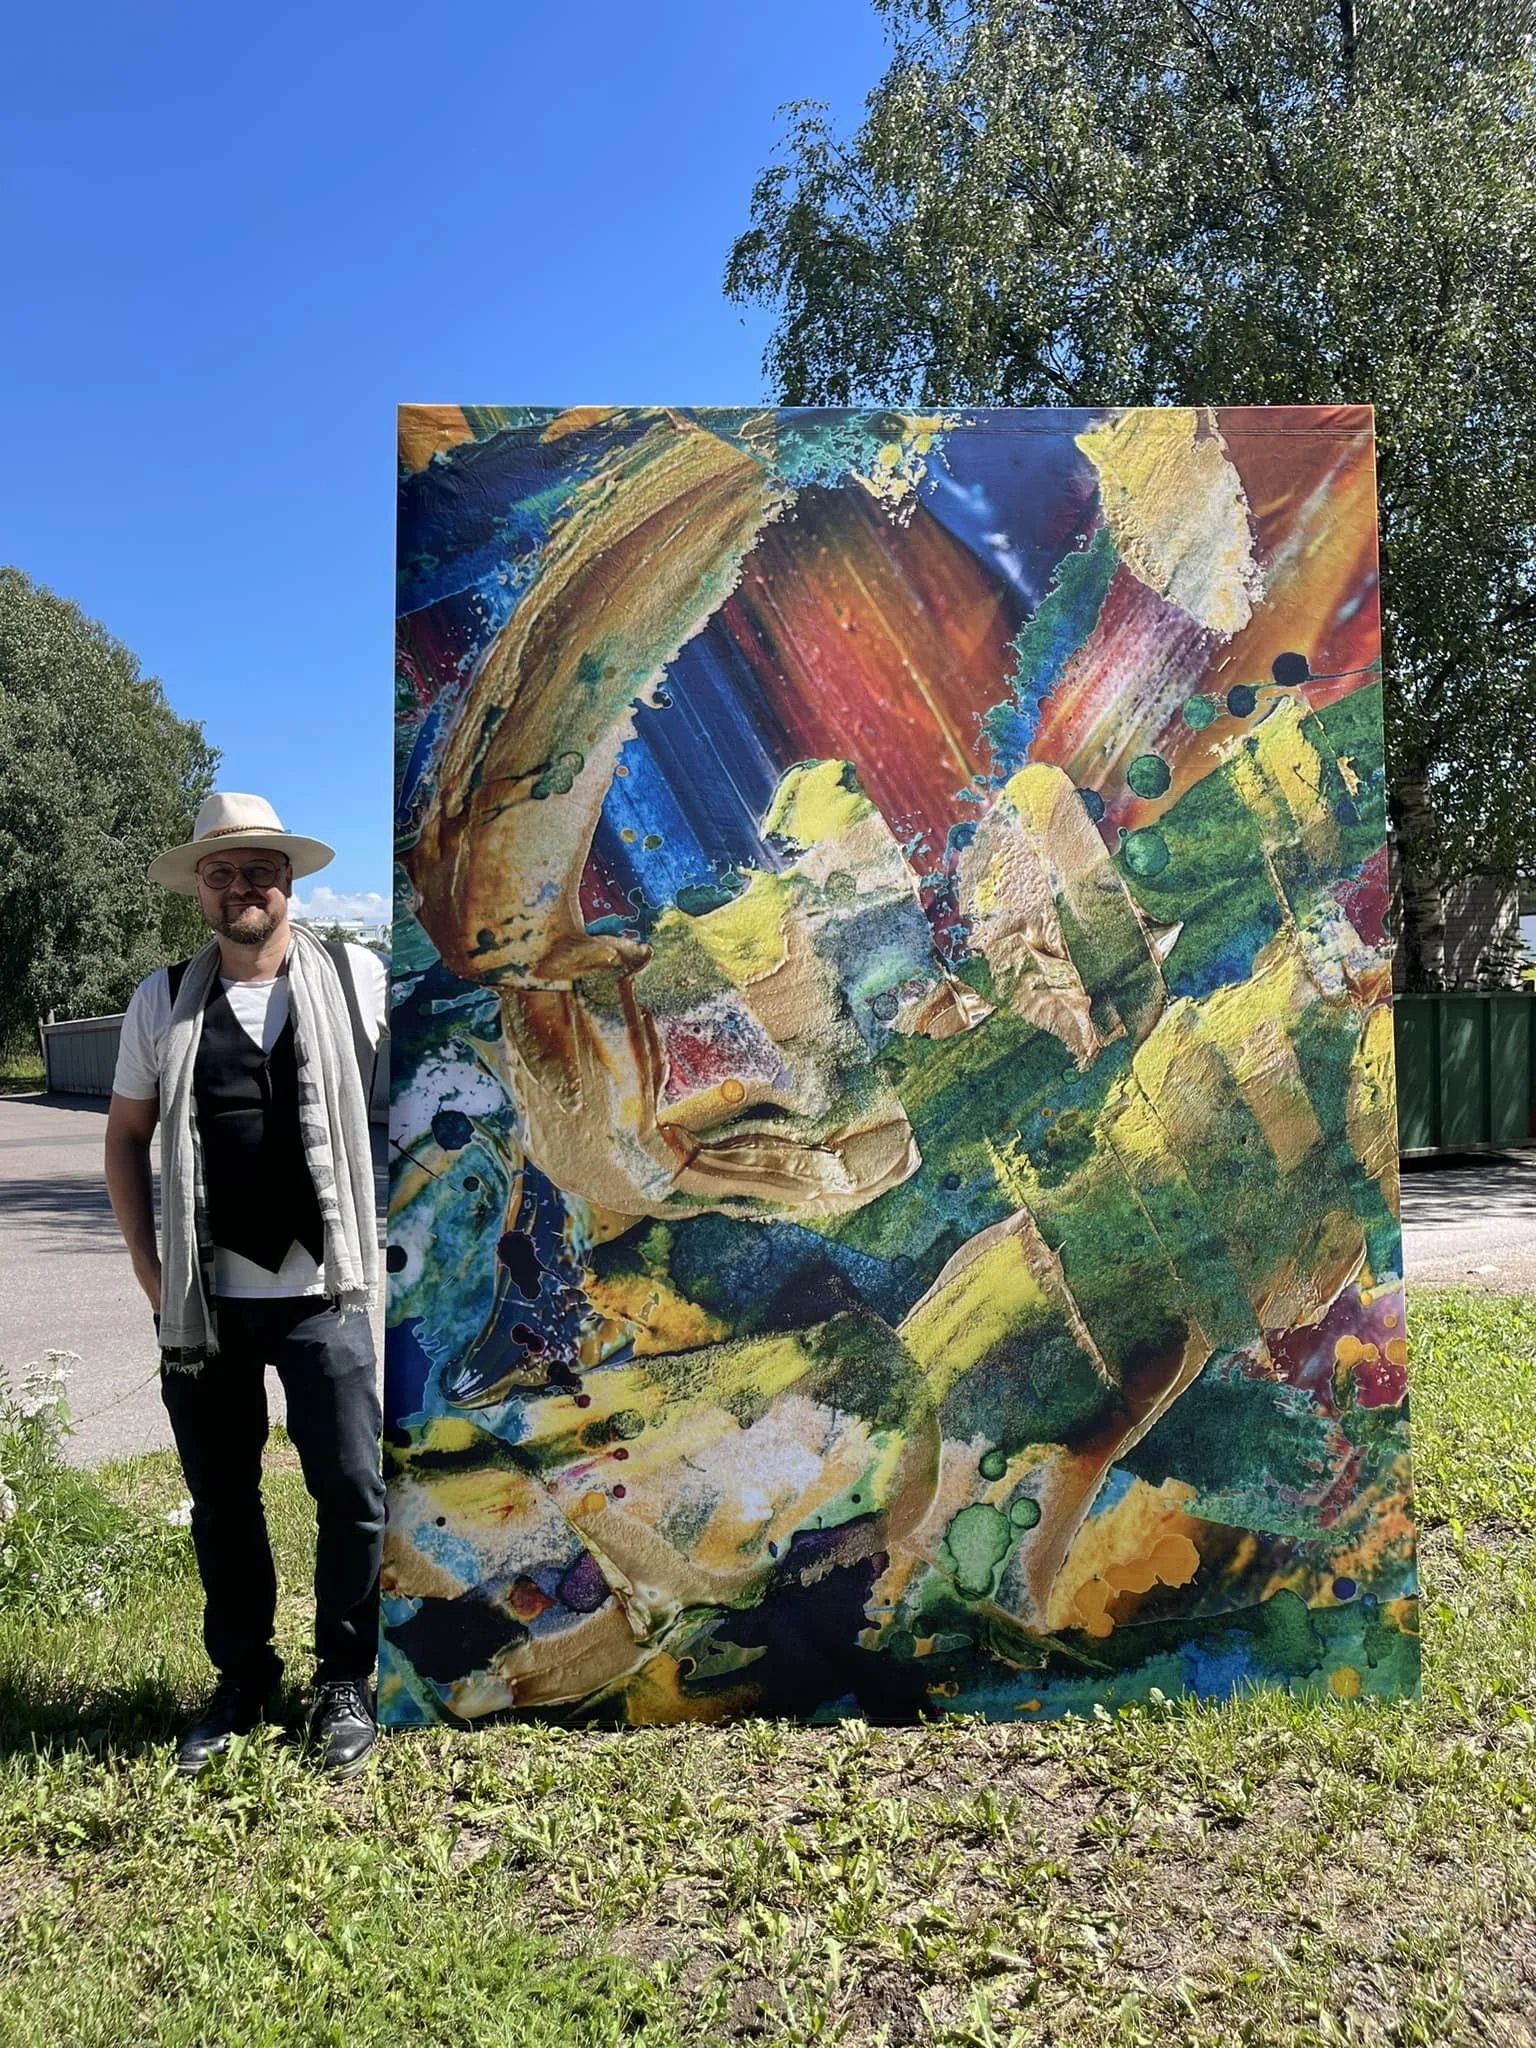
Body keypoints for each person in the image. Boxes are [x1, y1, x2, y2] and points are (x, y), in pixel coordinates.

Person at [104, 792, 387, 1777]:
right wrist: (151, 1272)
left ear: (288, 880)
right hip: (206, 1302)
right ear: (200, 890)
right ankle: (243, 1677)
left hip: (325, 1290)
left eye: (259, 868)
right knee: (223, 1500)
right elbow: (126, 1137)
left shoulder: (355, 977)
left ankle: (345, 1677)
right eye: (221, 873)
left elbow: (430, 1097)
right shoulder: (161, 999)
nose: (241, 887)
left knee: (351, 1489)